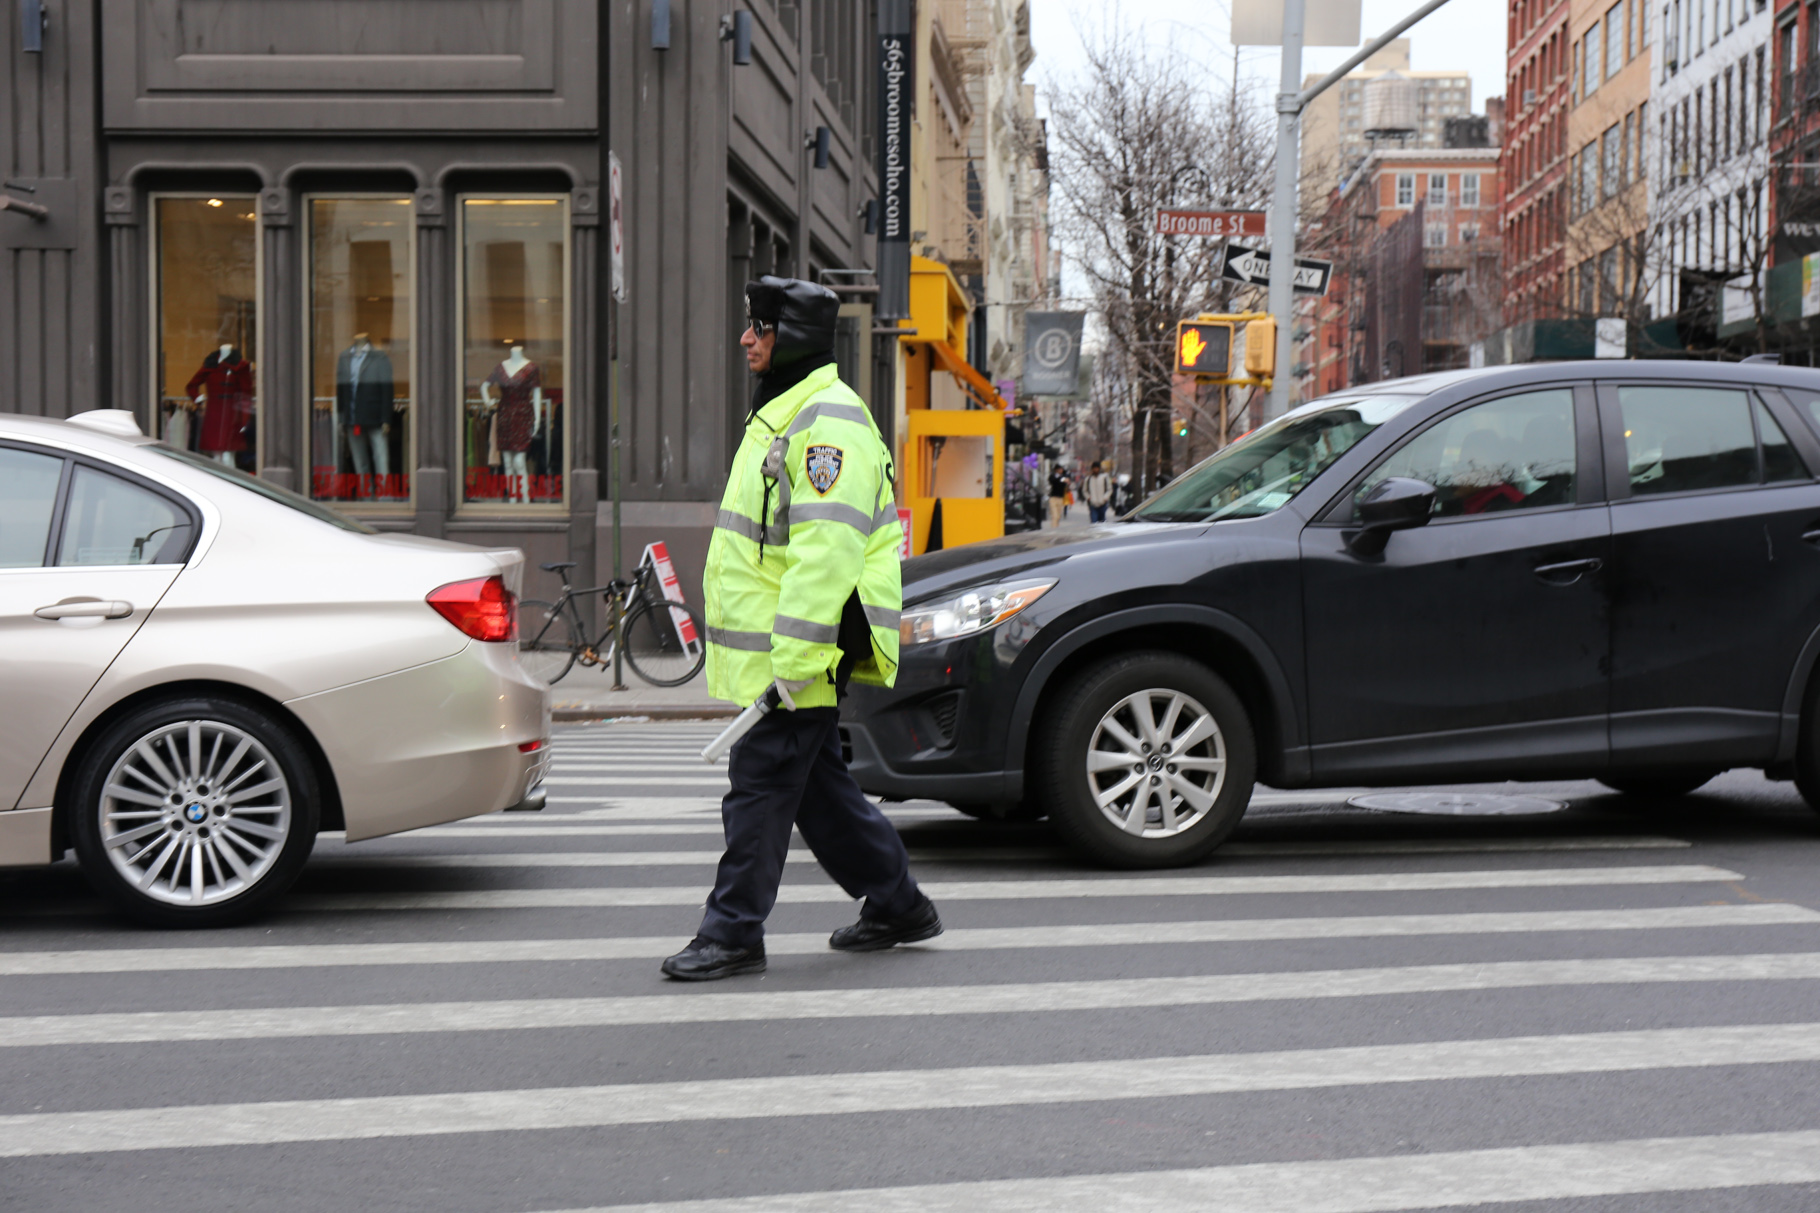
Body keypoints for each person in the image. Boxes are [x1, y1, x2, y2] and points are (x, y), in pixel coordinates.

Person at [662, 276, 942, 981]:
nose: (746, 338)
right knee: (821, 796)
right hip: (792, 654)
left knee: (758, 788)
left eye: (760, 327)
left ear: (795, 338)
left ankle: (732, 931)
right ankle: (899, 903)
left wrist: (796, 659)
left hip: (800, 655)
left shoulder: (827, 424)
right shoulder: (788, 415)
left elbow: (826, 554)